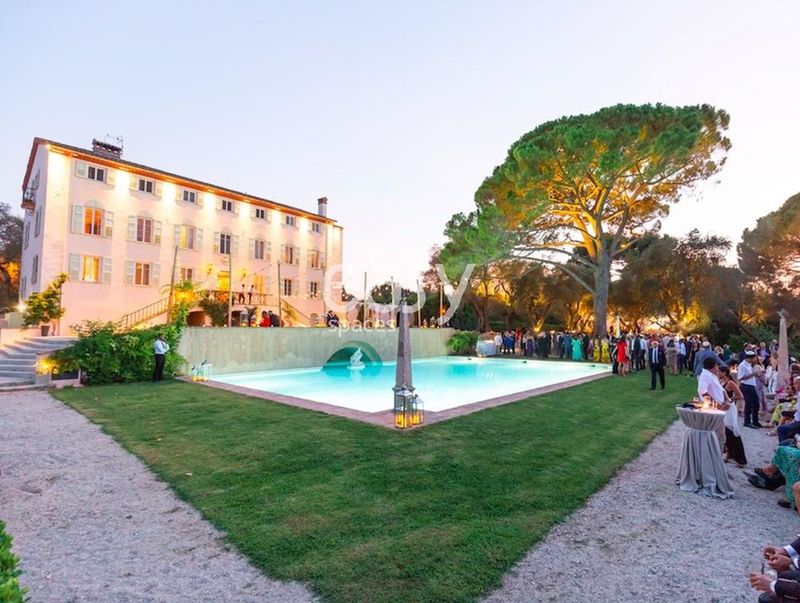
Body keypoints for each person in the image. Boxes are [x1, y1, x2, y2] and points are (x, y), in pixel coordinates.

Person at [718, 365, 747, 466]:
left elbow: (740, 396)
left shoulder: (730, 383)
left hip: (729, 409)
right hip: (722, 407)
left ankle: (741, 459)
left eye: (719, 372)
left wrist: (729, 399)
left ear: (724, 373)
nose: (717, 374)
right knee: (725, 431)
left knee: (732, 431)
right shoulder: (720, 381)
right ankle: (729, 453)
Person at [697, 356, 728, 451]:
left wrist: (727, 399)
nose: (718, 368)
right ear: (713, 367)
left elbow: (721, 389)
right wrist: (715, 404)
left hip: (719, 407)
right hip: (713, 409)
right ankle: (715, 458)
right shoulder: (705, 376)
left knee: (720, 435)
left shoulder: (712, 375)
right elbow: (703, 391)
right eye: (716, 366)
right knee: (719, 435)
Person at [740, 350, 763, 429]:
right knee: (749, 404)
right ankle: (747, 421)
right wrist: (753, 373)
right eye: (754, 358)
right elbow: (741, 377)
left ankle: (755, 421)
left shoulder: (749, 365)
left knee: (756, 404)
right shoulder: (742, 365)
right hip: (746, 385)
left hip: (751, 385)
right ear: (750, 358)